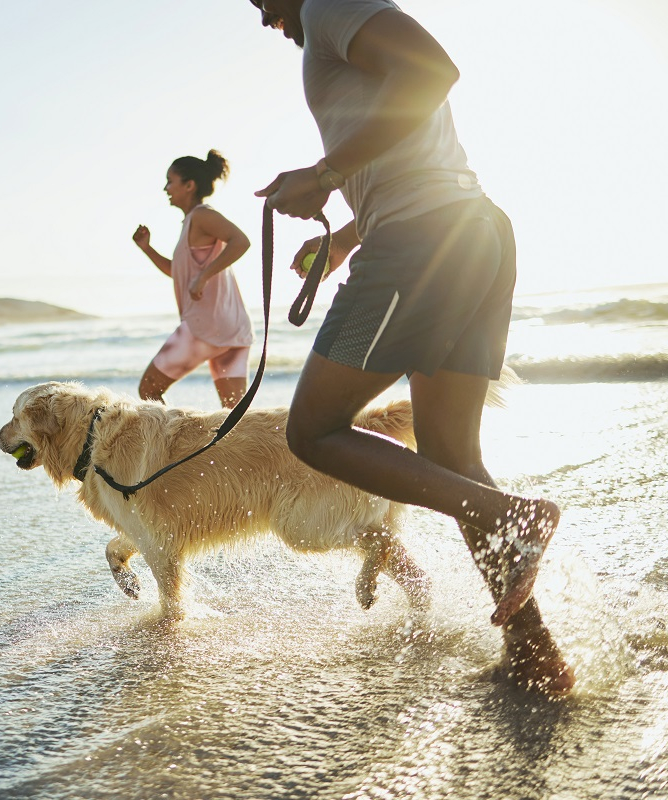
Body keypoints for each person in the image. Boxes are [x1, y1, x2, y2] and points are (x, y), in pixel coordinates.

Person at [247, 0, 574, 694]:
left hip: (421, 243)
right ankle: (534, 651)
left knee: (313, 431)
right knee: (452, 457)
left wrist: (326, 173)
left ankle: (512, 515)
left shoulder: (329, 4)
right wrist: (342, 237)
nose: (263, 15)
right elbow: (412, 149)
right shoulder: (337, 23)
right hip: (468, 229)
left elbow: (433, 70)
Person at [132, 150, 254, 409]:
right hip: (233, 328)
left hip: (204, 328)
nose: (166, 188)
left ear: (189, 186)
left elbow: (241, 241)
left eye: (170, 181)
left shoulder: (201, 216)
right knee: (233, 413)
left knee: (148, 391)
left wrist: (203, 276)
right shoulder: (192, 221)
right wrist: (147, 248)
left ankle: (174, 446)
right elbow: (179, 273)